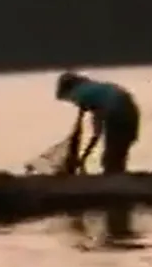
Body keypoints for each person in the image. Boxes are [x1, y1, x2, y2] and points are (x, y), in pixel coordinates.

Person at [55, 71, 141, 238]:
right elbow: (93, 126)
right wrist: (85, 155)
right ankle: (121, 215)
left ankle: (117, 203)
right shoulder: (95, 89)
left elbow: (97, 128)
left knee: (111, 158)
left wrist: (84, 156)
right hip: (130, 109)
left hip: (117, 111)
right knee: (119, 151)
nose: (71, 101)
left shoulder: (81, 94)